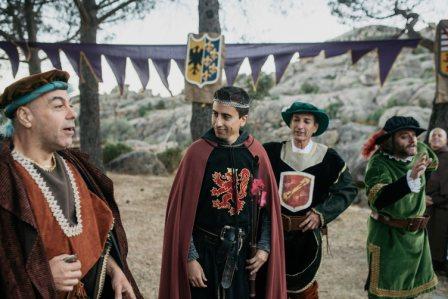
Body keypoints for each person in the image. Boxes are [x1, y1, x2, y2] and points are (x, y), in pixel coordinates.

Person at [0, 69, 141, 299]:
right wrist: (42, 277)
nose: (72, 114)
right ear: (26, 117)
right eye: (58, 106)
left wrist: (114, 270)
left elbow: (98, 236)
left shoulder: (77, 167)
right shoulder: (6, 181)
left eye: (70, 104)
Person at [159, 86, 286, 299]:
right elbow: (181, 215)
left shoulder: (256, 154)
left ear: (242, 120)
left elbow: (266, 208)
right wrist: (190, 259)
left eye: (226, 116)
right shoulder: (197, 154)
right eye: (215, 114)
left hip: (243, 258)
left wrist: (264, 248)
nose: (218, 122)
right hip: (204, 255)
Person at [263, 101, 357, 298]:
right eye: (296, 120)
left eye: (307, 121)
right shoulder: (271, 152)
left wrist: (321, 213)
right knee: (270, 287)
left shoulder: (329, 158)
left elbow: (348, 189)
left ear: (315, 127)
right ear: (290, 124)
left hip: (307, 238)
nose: (300, 126)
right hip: (274, 234)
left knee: (301, 289)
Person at [362, 116, 439, 298]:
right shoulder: (379, 163)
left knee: (410, 292)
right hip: (389, 237)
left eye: (414, 135)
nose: (413, 140)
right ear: (390, 142)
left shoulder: (419, 149)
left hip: (416, 238)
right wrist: (409, 180)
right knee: (385, 293)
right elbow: (377, 198)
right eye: (405, 136)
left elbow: (432, 164)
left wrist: (419, 190)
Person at [426, 127, 448, 276]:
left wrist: (433, 200)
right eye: (433, 135)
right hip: (425, 203)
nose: (436, 137)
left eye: (440, 135)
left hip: (443, 206)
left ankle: (438, 264)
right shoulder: (425, 156)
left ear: (446, 140)